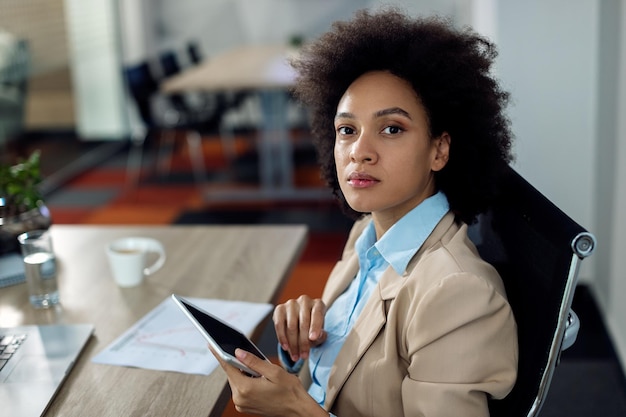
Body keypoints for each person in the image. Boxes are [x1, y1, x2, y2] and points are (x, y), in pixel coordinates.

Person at [210, 8, 518, 417]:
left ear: (439, 150)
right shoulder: (367, 235)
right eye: (347, 130)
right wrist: (299, 350)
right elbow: (334, 377)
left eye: (392, 128)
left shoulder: (458, 293)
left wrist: (295, 409)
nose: (359, 151)